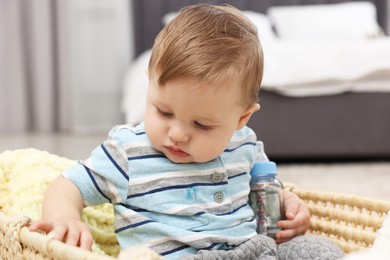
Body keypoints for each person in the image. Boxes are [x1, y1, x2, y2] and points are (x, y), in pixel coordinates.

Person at [29, 4, 342, 259]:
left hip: (254, 250)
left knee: (321, 251)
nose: (177, 134)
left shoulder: (244, 145)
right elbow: (67, 185)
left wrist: (287, 202)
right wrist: (65, 218)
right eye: (164, 112)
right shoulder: (128, 152)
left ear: (241, 119)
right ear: (149, 83)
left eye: (202, 124)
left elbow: (265, 187)